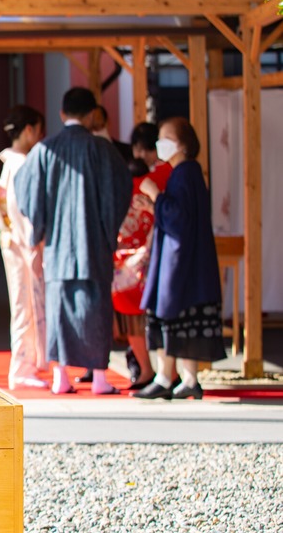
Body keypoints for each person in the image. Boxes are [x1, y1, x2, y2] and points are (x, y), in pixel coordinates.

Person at [14, 87, 132, 395]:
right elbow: (119, 192)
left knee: (59, 310)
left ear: (62, 114)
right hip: (95, 244)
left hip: (58, 246)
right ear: (93, 114)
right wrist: (109, 232)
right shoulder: (104, 151)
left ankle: (61, 376)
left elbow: (26, 190)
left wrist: (38, 234)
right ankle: (101, 378)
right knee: (97, 309)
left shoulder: (45, 151)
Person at [134, 118, 226, 400]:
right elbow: (179, 215)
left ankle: (167, 377)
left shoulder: (184, 173)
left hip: (179, 261)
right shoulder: (187, 172)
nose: (161, 143)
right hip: (184, 259)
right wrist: (155, 205)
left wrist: (154, 194)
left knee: (171, 313)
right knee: (184, 316)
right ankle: (187, 378)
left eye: (166, 138)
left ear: (182, 144)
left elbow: (178, 219)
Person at [111, 122, 174, 390]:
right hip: (162, 251)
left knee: (132, 313)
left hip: (129, 258)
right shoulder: (170, 173)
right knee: (160, 314)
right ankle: (164, 371)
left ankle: (148, 370)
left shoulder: (132, 180)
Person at [0, 105, 48, 389]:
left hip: (14, 240)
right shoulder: (22, 164)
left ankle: (27, 363)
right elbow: (17, 208)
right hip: (22, 243)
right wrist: (32, 240)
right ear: (29, 130)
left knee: (24, 304)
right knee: (26, 305)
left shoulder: (10, 163)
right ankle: (23, 366)